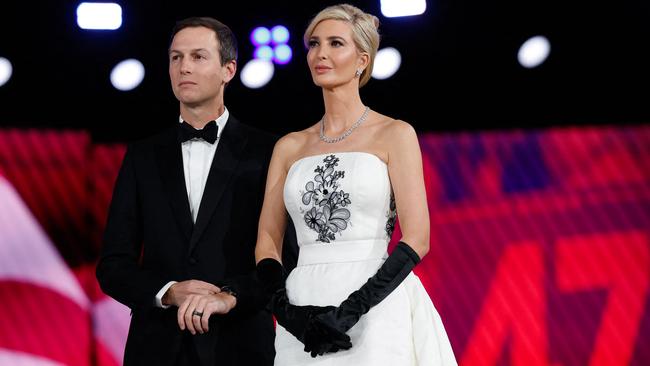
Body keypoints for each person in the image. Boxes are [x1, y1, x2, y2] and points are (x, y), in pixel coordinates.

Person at [251, 4, 458, 365]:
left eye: (335, 44)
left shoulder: (394, 133)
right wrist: (290, 316)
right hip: (303, 305)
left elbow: (417, 238)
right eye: (314, 44)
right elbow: (267, 243)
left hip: (375, 302)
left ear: (362, 59)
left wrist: (351, 311)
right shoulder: (289, 146)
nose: (321, 54)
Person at [96, 17, 297, 366]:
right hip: (155, 349)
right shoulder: (142, 156)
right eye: (176, 57)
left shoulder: (269, 151)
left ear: (228, 69)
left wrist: (230, 297)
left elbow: (286, 260)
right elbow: (113, 265)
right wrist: (169, 292)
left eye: (198, 56)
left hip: (240, 347)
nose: (184, 67)